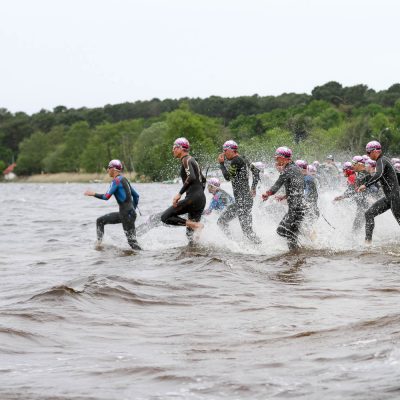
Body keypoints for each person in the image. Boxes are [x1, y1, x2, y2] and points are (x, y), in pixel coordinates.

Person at [84, 159, 141, 250]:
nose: (107, 170)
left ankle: (144, 258)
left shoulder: (116, 181)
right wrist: (132, 210)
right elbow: (136, 196)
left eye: (109, 168)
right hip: (128, 214)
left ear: (113, 169)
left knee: (132, 243)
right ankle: (99, 245)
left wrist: (93, 194)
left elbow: (106, 197)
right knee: (100, 221)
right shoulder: (124, 179)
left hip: (126, 214)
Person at [160, 137, 206, 243]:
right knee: (191, 236)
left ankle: (195, 225)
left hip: (193, 198)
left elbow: (192, 177)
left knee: (165, 217)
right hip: (200, 199)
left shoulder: (185, 159)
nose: (173, 150)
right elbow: (203, 180)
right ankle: (197, 255)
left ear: (181, 148)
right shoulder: (192, 160)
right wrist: (199, 195)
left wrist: (179, 194)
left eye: (174, 148)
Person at [217, 140, 261, 243]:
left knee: (224, 222)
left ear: (232, 150)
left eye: (225, 150)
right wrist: (253, 187)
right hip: (244, 200)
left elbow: (228, 177)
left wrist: (222, 164)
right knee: (245, 229)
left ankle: (237, 246)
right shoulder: (244, 159)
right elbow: (256, 172)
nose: (223, 153)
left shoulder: (236, 160)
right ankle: (235, 245)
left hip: (243, 201)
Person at [262, 147, 305, 250]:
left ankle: (300, 250)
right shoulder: (295, 168)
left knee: (281, 231)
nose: (276, 161)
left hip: (295, 210)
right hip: (298, 209)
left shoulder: (288, 169)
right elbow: (297, 187)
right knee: (291, 238)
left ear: (283, 158)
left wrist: (267, 193)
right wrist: (286, 196)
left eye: (277, 158)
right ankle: (299, 255)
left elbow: (278, 184)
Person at [358, 141, 400, 243]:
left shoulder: (381, 160)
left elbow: (379, 174)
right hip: (389, 197)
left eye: (369, 152)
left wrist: (366, 185)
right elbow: (397, 175)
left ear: (375, 151)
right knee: (369, 214)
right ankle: (368, 242)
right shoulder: (384, 161)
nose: (368, 155)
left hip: (394, 197)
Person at [296, 160, 319, 224]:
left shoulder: (307, 179)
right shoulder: (305, 178)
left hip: (309, 211)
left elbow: (306, 193)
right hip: (312, 210)